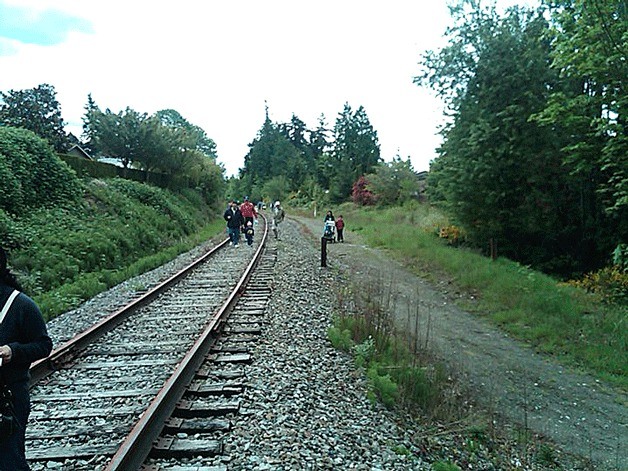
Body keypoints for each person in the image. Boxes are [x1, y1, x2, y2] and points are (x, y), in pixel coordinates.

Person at [0, 246, 52, 470]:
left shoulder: (20, 305)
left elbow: (43, 345)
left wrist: (13, 352)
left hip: (8, 397)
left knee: (9, 460)